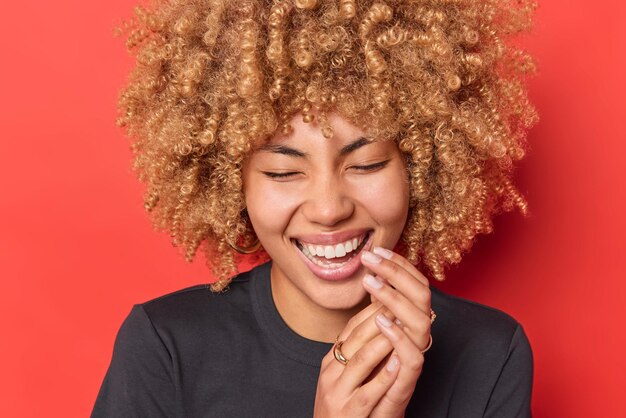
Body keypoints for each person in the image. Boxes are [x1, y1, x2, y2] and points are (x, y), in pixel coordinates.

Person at [92, 0, 538, 416]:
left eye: (367, 164)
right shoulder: (165, 347)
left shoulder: (490, 354)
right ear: (231, 184)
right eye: (283, 172)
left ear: (422, 169)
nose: (329, 209)